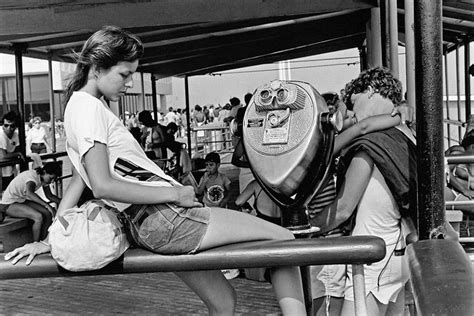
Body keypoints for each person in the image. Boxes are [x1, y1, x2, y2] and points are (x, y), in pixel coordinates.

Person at [5, 26, 306, 315]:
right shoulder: (89, 109)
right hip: (165, 217)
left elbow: (77, 182)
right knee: (282, 242)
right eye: (124, 74)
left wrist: (52, 237)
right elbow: (102, 186)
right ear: (96, 69)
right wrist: (176, 192)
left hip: (150, 224)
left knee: (223, 301)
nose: (128, 84)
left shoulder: (77, 106)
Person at [310, 67, 418, 316]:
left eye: (352, 102)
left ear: (369, 91)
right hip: (399, 256)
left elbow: (343, 209)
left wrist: (304, 231)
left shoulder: (370, 146)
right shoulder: (408, 135)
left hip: (372, 262)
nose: (351, 111)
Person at [0, 159, 61, 241]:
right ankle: (35, 243)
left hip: (20, 200)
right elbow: (29, 193)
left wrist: (63, 201)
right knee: (38, 217)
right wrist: (47, 205)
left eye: (54, 179)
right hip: (8, 204)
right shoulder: (32, 177)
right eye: (51, 178)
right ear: (45, 172)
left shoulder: (43, 178)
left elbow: (49, 196)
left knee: (47, 213)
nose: (52, 181)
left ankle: (44, 240)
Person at [0, 111, 24, 190]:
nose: (8, 128)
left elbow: (16, 149)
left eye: (12, 126)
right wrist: (18, 154)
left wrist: (15, 154)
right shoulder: (1, 135)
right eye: (6, 125)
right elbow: (3, 156)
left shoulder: (15, 135)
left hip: (10, 170)